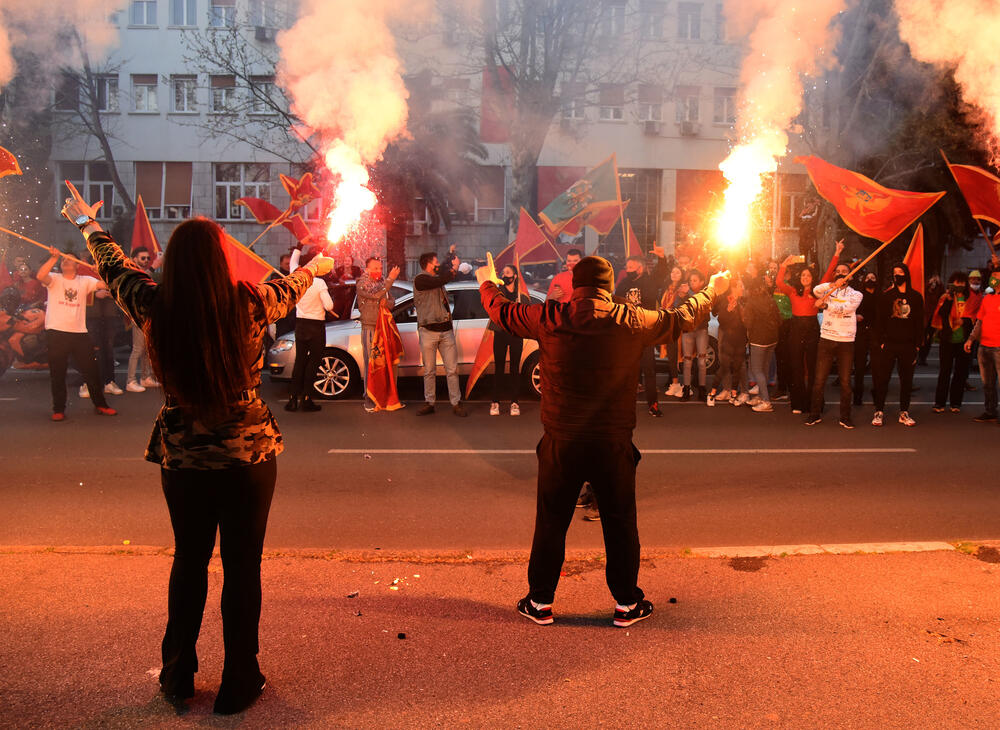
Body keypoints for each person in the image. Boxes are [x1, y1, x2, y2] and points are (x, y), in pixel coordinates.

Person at [62, 183, 334, 714]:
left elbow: (115, 267)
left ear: (175, 263)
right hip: (248, 456)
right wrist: (315, 265)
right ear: (219, 261)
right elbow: (290, 284)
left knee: (189, 561)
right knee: (242, 567)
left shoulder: (153, 303)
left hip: (183, 457)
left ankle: (177, 675)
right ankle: (239, 679)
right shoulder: (251, 302)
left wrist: (86, 224)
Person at [477, 252, 729, 627]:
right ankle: (627, 604)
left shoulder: (550, 315)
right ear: (609, 288)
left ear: (575, 286)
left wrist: (488, 282)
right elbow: (680, 318)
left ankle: (540, 602)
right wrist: (712, 290)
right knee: (619, 521)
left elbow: (503, 312)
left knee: (551, 521)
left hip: (561, 440)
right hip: (612, 442)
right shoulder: (630, 319)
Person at [36, 247, 117, 420]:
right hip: (56, 332)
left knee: (91, 371)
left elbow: (107, 285)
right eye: (64, 259)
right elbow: (40, 276)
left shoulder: (85, 280)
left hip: (79, 333)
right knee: (58, 373)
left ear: (78, 265)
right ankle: (58, 409)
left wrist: (100, 271)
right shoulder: (55, 279)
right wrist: (53, 258)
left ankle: (101, 405)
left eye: (70, 259)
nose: (66, 261)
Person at [776, 242, 841, 414]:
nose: (805, 277)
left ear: (812, 278)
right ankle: (797, 403)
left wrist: (836, 254)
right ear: (800, 277)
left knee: (813, 367)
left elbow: (828, 275)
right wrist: (784, 265)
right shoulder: (792, 291)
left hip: (812, 328)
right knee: (796, 366)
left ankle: (815, 404)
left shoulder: (818, 291)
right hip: (796, 328)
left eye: (808, 275)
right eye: (803, 275)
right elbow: (779, 282)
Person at [805, 262, 863, 429]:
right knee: (819, 380)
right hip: (827, 338)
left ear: (850, 276)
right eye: (838, 272)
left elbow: (846, 308)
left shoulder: (856, 294)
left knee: (845, 382)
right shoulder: (828, 291)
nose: (840, 274)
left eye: (844, 272)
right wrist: (831, 286)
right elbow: (816, 291)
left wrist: (825, 305)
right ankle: (814, 414)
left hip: (846, 341)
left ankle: (845, 417)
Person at [413, 247, 467, 416]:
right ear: (428, 265)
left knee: (452, 370)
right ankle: (430, 402)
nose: (438, 265)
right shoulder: (421, 279)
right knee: (429, 370)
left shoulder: (437, 278)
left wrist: (449, 254)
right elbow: (442, 278)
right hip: (428, 331)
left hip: (446, 331)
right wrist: (454, 269)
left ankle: (456, 403)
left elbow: (443, 273)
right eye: (435, 263)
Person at [615, 246, 668, 416]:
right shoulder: (624, 284)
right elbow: (616, 305)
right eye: (626, 267)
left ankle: (653, 404)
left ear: (640, 268)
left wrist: (662, 258)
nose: (627, 270)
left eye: (631, 268)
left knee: (649, 369)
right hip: (628, 334)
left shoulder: (650, 282)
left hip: (645, 333)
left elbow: (661, 275)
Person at [284, 248, 336, 413]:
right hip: (316, 327)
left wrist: (299, 248)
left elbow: (293, 262)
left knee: (300, 362)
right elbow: (329, 306)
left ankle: (292, 399)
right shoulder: (318, 282)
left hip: (301, 325)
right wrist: (322, 304)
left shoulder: (296, 277)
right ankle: (306, 398)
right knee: (313, 363)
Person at [872, 262, 924, 427]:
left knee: (906, 380)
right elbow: (879, 320)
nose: (897, 276)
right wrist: (880, 342)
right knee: (883, 379)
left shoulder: (916, 297)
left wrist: (917, 345)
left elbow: (919, 322)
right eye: (894, 273)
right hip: (889, 344)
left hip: (908, 345)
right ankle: (879, 411)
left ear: (906, 274)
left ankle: (904, 412)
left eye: (900, 272)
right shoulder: (887, 296)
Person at [356, 257, 400, 413]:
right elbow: (375, 294)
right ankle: (369, 397)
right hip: (370, 328)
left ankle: (383, 394)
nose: (378, 271)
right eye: (375, 268)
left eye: (380, 268)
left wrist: (386, 303)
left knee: (384, 363)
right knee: (371, 363)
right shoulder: (362, 283)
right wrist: (390, 280)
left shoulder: (382, 283)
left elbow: (391, 301)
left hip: (383, 328)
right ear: (366, 269)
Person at [489, 264, 531, 416]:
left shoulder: (521, 294)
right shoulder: (499, 291)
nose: (504, 275)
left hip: (515, 334)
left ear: (514, 276)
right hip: (500, 333)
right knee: (499, 368)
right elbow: (492, 305)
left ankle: (514, 402)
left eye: (508, 273)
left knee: (514, 368)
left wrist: (522, 307)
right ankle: (495, 402)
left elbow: (528, 313)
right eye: (503, 273)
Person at [932, 271, 973, 413]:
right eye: (956, 282)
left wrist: (964, 321)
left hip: (964, 340)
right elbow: (941, 314)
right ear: (951, 283)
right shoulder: (945, 297)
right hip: (947, 340)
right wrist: (949, 299)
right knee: (945, 371)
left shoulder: (970, 299)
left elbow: (974, 318)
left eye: (962, 283)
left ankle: (956, 403)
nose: (959, 285)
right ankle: (939, 402)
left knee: (960, 373)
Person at [965, 269, 1000, 423]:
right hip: (984, 346)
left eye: (997, 277)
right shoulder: (987, 298)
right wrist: (971, 339)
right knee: (988, 383)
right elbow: (980, 322)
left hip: (999, 347)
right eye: (992, 277)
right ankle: (990, 411)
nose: (993, 279)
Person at [708, 275, 748, 407]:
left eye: (743, 285)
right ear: (733, 287)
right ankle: (712, 394)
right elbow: (720, 319)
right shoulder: (726, 299)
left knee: (738, 366)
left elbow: (746, 321)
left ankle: (734, 394)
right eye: (740, 286)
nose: (743, 288)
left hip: (741, 339)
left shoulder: (743, 301)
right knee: (724, 367)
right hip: (729, 339)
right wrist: (728, 311)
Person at [743, 277, 782, 412]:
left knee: (757, 369)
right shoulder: (770, 300)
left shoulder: (751, 303)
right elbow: (779, 318)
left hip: (758, 339)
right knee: (764, 369)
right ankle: (760, 396)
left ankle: (766, 401)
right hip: (772, 338)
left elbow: (748, 323)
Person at [126, 246, 159, 393]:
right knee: (138, 349)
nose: (146, 261)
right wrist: (154, 266)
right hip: (138, 316)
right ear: (134, 259)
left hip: (147, 316)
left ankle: (146, 377)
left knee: (148, 349)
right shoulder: (131, 272)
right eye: (142, 258)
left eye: (148, 258)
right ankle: (130, 380)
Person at [679, 269, 711, 401]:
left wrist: (688, 294)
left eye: (695, 280)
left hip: (701, 330)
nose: (692, 283)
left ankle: (702, 388)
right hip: (688, 330)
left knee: (702, 361)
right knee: (687, 361)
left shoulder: (705, 293)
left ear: (702, 282)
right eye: (691, 281)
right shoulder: (685, 294)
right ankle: (686, 388)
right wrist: (683, 295)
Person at [853, 270, 879, 406]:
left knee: (876, 365)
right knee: (859, 365)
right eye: (868, 277)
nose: (870, 279)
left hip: (875, 333)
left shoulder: (880, 296)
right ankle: (857, 395)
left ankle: (877, 394)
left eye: (873, 277)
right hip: (861, 333)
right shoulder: (859, 296)